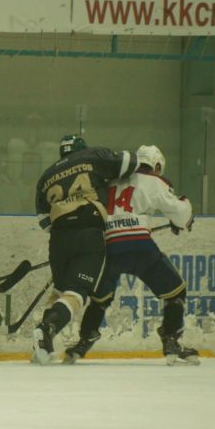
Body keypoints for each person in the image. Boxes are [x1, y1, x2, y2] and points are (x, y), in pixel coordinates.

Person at [63, 145, 198, 366]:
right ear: (155, 166)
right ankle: (171, 339)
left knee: (99, 300)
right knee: (176, 292)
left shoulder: (109, 182)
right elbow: (181, 214)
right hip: (140, 248)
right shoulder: (154, 181)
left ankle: (84, 340)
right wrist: (183, 219)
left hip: (109, 248)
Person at [32, 135, 138, 365]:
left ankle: (40, 344)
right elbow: (131, 162)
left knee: (61, 291)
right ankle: (47, 328)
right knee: (77, 292)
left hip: (59, 237)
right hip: (89, 232)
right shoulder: (94, 155)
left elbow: (44, 221)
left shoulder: (46, 176)